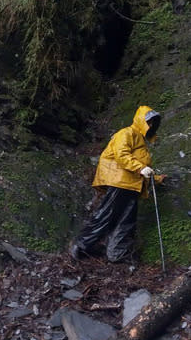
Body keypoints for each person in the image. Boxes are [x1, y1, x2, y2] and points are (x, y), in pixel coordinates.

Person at [69, 105, 165, 263]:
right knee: (107, 215)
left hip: (132, 186)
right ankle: (80, 245)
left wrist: (157, 179)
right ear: (142, 121)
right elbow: (121, 155)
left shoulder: (141, 141)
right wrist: (141, 168)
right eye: (150, 122)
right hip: (120, 182)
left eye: (154, 123)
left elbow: (142, 170)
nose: (152, 126)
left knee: (126, 221)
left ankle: (116, 253)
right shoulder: (127, 133)